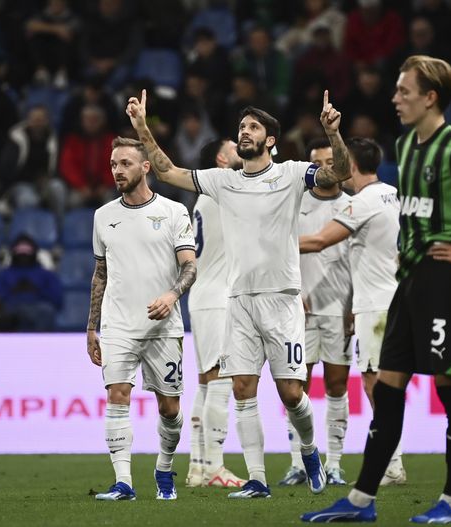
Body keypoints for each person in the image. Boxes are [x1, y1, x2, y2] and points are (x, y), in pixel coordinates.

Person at [301, 55, 451, 523]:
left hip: (447, 283)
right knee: (387, 385)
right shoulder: (407, 146)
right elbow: (415, 211)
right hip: (410, 283)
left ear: (430, 98)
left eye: (404, 91)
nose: (395, 98)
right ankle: (362, 501)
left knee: (449, 385)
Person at [126, 88, 351, 499]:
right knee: (243, 389)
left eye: (253, 127)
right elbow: (167, 172)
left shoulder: (292, 173)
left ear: (270, 141)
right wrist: (142, 128)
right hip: (237, 301)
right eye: (241, 126)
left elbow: (339, 175)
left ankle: (309, 449)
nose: (244, 132)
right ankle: (258, 479)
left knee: (292, 394)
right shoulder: (223, 181)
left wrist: (333, 135)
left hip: (282, 299)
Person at [87, 137, 197, 501]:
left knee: (170, 407)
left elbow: (189, 267)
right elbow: (100, 274)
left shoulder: (173, 212)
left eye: (125, 163)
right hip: (118, 325)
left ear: (145, 167)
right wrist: (92, 327)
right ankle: (124, 483)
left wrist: (172, 295)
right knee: (117, 394)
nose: (117, 170)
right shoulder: (103, 216)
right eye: (114, 163)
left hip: (163, 327)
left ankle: (164, 465)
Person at [298, 137, 406, 488]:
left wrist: (271, 242)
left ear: (351, 165)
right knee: (388, 384)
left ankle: (393, 464)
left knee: (376, 385)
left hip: (374, 306)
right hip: (395, 298)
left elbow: (318, 241)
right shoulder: (393, 194)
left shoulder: (361, 203)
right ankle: (393, 460)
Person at [278, 138, 352, 488]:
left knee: (337, 386)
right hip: (299, 311)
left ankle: (334, 464)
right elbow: (281, 253)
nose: (324, 168)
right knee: (296, 387)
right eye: (317, 163)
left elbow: (359, 262)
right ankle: (298, 462)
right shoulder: (297, 203)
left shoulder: (353, 206)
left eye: (329, 161)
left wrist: (352, 307)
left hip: (339, 309)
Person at [185, 139, 247, 489]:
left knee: (207, 383)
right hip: (218, 296)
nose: (241, 146)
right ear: (222, 160)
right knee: (221, 381)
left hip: (205, 294)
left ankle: (198, 466)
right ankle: (214, 468)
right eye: (234, 145)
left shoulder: (205, 197)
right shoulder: (223, 191)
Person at [0, 234, 64, 332]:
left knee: (46, 312)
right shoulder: (4, 275)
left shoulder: (46, 274)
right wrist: (14, 290)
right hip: (11, 307)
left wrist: (36, 290)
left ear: (34, 253)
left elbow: (57, 299)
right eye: (20, 251)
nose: (23, 255)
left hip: (39, 308)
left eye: (27, 251)